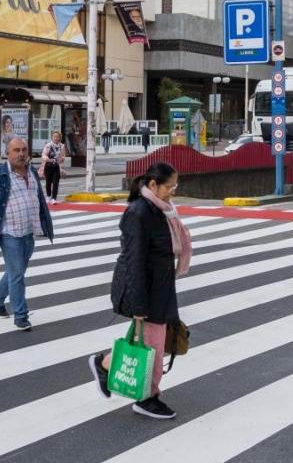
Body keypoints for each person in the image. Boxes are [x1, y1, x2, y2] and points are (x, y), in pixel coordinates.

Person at [89, 161, 191, 420]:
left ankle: (104, 364)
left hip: (160, 285)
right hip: (145, 289)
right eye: (170, 186)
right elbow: (133, 260)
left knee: (150, 341)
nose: (173, 191)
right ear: (153, 185)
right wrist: (138, 305)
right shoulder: (139, 212)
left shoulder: (162, 209)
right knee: (154, 345)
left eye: (175, 186)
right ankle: (147, 398)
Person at [0, 135, 54, 332]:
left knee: (15, 271)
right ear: (7, 153)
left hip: (28, 230)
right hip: (8, 231)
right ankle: (20, 315)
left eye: (23, 150)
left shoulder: (33, 173)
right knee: (18, 273)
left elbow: (38, 198)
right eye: (16, 150)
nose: (21, 154)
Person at [40, 130, 66, 203]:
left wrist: (61, 159)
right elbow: (43, 154)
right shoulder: (48, 145)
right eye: (54, 136)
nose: (56, 138)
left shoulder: (62, 146)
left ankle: (54, 198)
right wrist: (47, 158)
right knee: (48, 183)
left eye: (57, 137)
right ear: (52, 137)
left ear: (60, 138)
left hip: (57, 167)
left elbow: (63, 156)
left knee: (55, 183)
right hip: (48, 166)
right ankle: (48, 196)